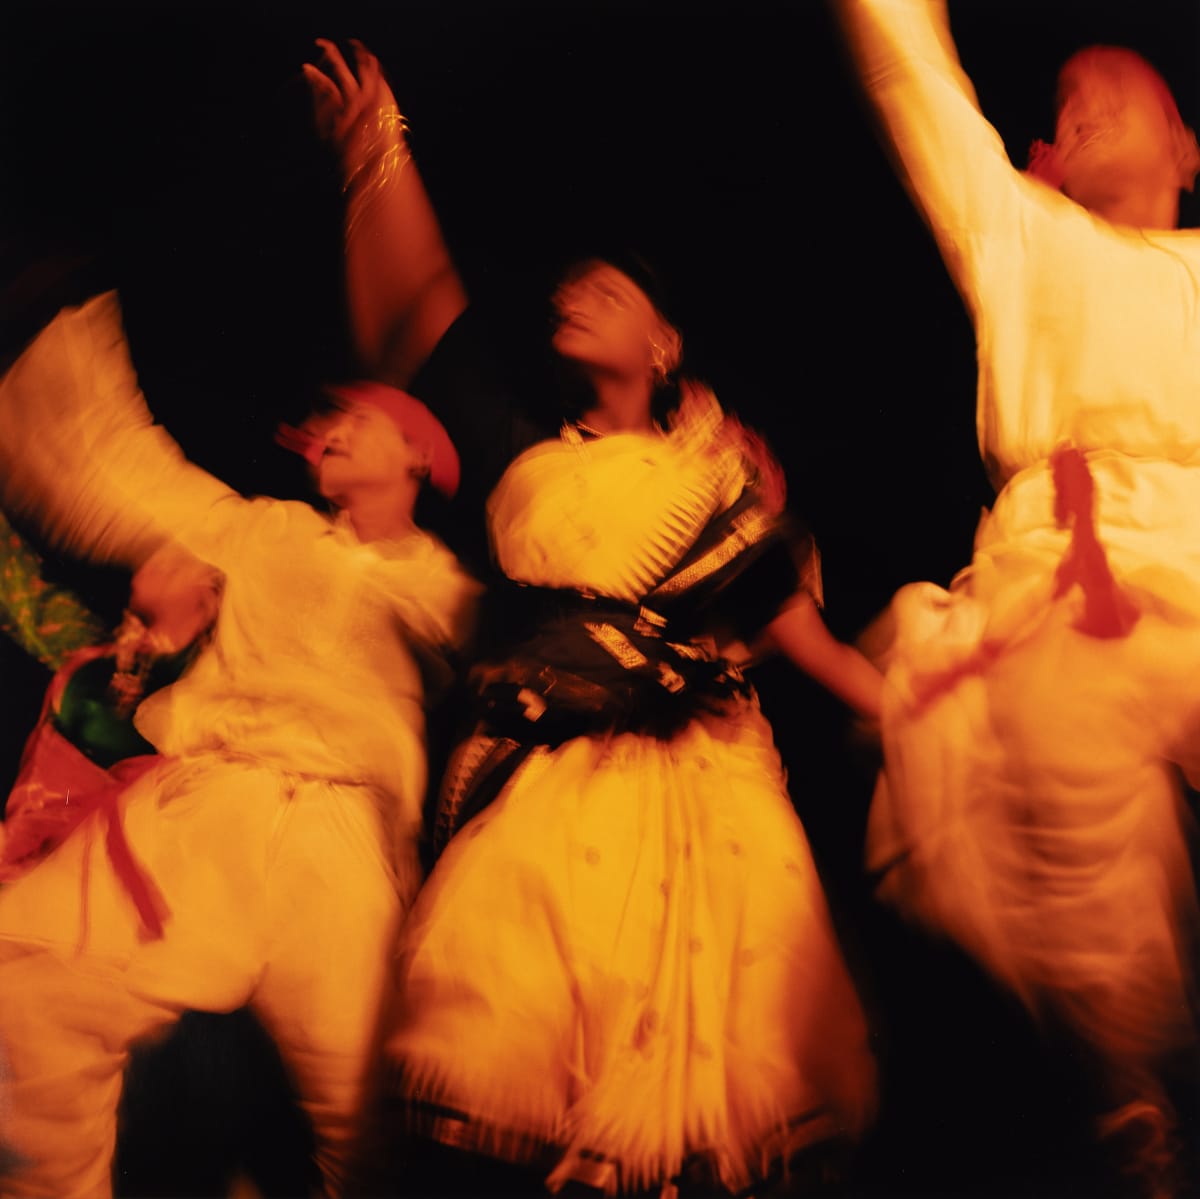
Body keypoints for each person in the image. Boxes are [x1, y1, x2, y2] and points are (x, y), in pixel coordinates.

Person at [304, 38, 883, 1197]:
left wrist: (916, 713)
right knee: (535, 1050)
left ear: (665, 345)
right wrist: (377, 148)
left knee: (700, 1099)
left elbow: (784, 623)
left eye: (610, 293)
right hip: (548, 788)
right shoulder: (527, 457)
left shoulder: (722, 478)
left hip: (704, 788)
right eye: (570, 287)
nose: (576, 295)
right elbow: (421, 320)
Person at [834, 2, 1200, 1195]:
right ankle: (1129, 1103)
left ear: (1188, 144)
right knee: (1064, 743)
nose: (1081, 103)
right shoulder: (1025, 235)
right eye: (1064, 103)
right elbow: (912, 77)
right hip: (1073, 578)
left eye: (1116, 87)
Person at [0, 293, 480, 1198]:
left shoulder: (446, 587)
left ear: (419, 453)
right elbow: (122, 471)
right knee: (28, 993)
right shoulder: (262, 529)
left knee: (373, 1118)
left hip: (341, 844)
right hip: (212, 809)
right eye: (327, 418)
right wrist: (57, 318)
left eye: (359, 419)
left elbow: (528, 637)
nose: (332, 430)